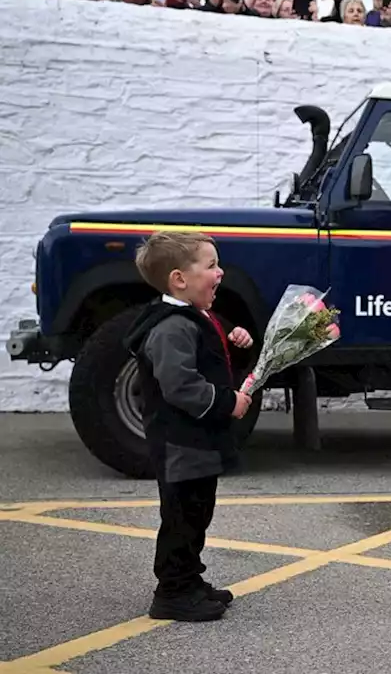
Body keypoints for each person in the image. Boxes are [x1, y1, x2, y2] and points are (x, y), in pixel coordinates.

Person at [124, 231, 255, 619]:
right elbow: (180, 384)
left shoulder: (193, 316)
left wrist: (235, 340)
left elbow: (207, 355)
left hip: (197, 442)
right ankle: (172, 593)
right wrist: (229, 402)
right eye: (212, 265)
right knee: (182, 518)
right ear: (179, 279)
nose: (221, 273)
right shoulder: (171, 327)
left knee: (198, 513)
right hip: (181, 444)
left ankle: (190, 580)